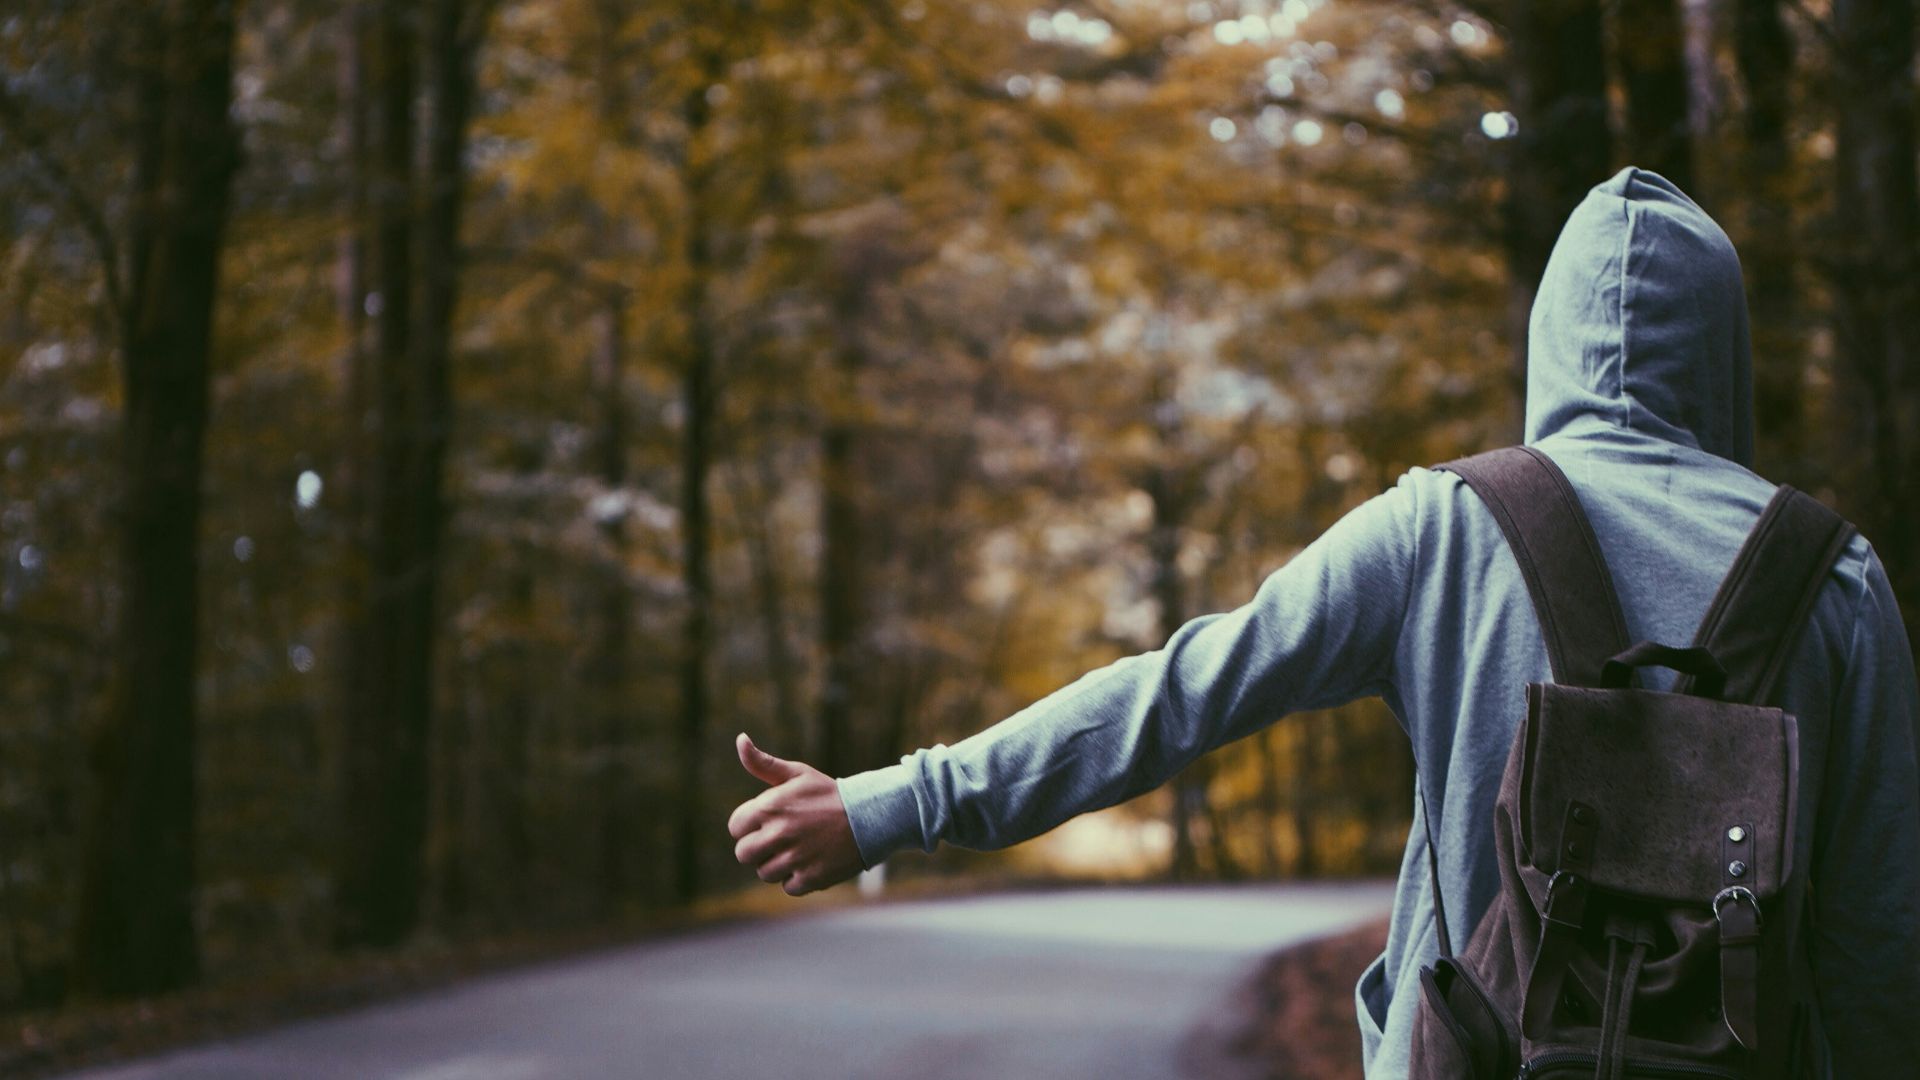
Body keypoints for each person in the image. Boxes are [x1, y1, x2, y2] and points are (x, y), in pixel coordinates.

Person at [724, 167, 1920, 1076]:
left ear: (1547, 341)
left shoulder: (1446, 527)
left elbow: (1178, 694)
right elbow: (1879, 942)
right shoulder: (1836, 577)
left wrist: (895, 802)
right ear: (1728, 351)